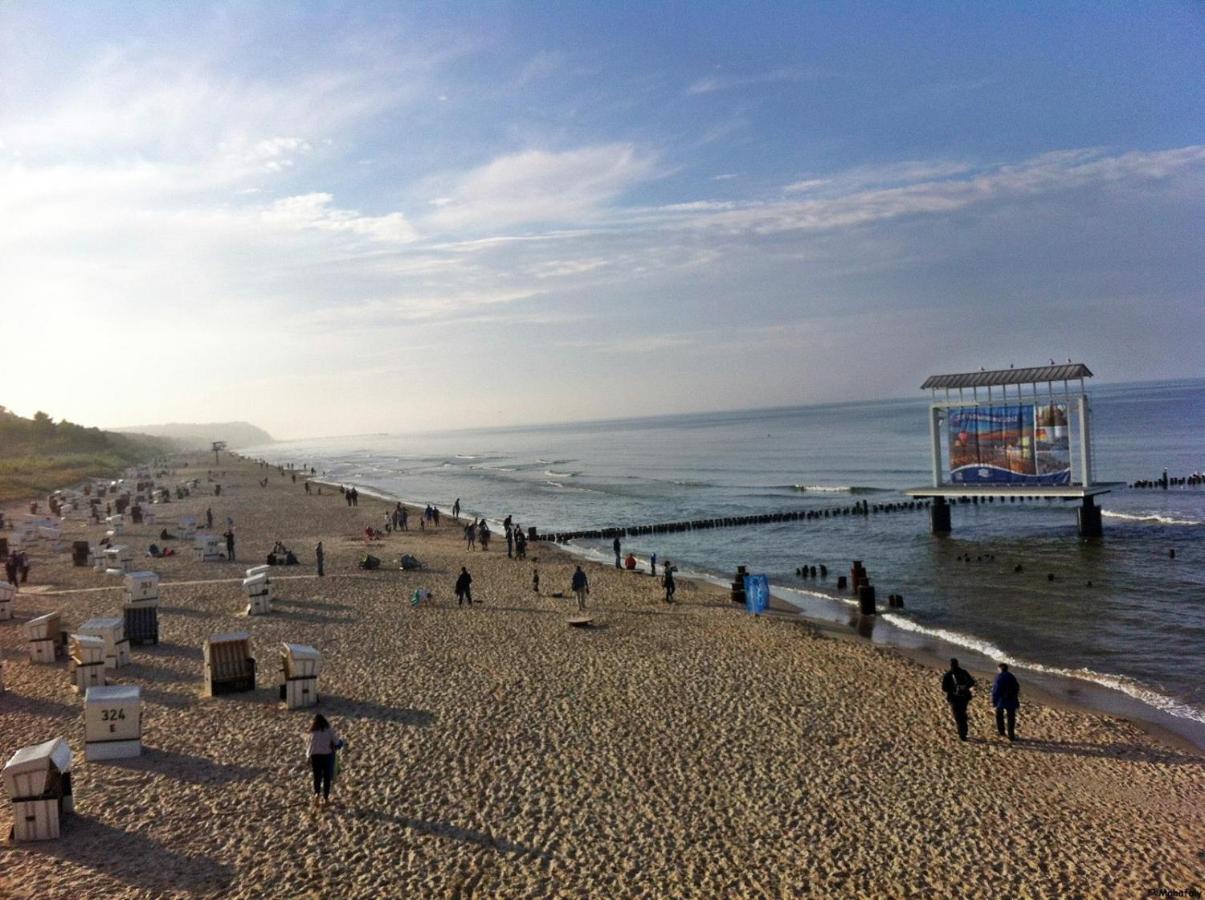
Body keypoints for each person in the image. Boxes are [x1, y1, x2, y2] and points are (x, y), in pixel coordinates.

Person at [306, 714, 343, 807]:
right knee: (326, 777)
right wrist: (341, 743)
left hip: (314, 756)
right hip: (326, 755)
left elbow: (309, 747)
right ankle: (326, 799)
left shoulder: (311, 732)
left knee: (317, 777)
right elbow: (337, 743)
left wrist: (308, 758)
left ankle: (317, 795)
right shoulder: (329, 730)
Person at [941, 658, 976, 741]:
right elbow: (972, 682)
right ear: (958, 664)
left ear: (950, 665)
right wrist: (965, 687)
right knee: (962, 714)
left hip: (954, 698)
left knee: (958, 716)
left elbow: (944, 688)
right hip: (964, 697)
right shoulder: (963, 672)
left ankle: (962, 734)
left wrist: (953, 689)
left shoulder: (948, 675)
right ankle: (964, 731)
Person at [991, 662, 1021, 741]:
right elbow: (1017, 687)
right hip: (1011, 699)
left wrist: (994, 701)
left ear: (1000, 669)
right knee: (1011, 718)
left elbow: (996, 690)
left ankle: (1001, 731)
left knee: (999, 715)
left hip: (1002, 700)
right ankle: (1011, 735)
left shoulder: (999, 677)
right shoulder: (1011, 676)